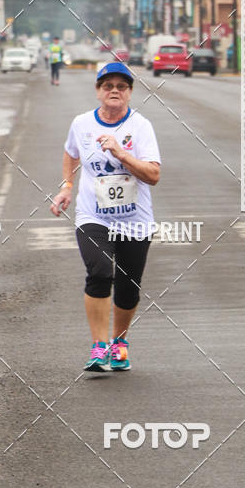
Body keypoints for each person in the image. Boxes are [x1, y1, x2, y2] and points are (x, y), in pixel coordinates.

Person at [50, 62, 161, 373]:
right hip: (93, 215)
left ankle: (119, 343)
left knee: (128, 287)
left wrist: (121, 153)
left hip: (134, 219)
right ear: (98, 91)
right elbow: (71, 152)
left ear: (130, 93)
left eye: (121, 87)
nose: (115, 91)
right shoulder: (82, 123)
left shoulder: (141, 126)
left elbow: (153, 175)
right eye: (108, 86)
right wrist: (67, 186)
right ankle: (99, 347)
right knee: (99, 271)